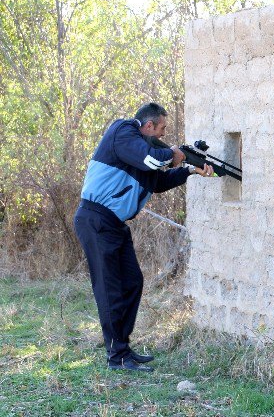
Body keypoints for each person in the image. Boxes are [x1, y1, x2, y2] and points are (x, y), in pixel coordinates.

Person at [73, 102, 213, 372]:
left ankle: (123, 349)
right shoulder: (123, 131)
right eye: (161, 129)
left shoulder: (138, 154)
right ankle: (117, 358)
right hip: (96, 220)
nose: (162, 135)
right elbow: (155, 159)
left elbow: (156, 182)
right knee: (110, 288)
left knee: (132, 283)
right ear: (147, 125)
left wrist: (189, 170)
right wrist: (177, 154)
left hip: (113, 224)